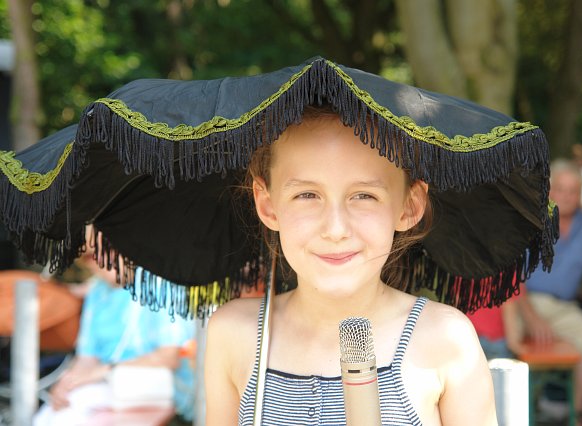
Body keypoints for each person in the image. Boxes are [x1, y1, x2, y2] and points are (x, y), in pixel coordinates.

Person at [205, 107, 498, 425]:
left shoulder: (444, 339)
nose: (335, 229)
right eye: (307, 195)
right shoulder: (235, 334)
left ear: (409, 206)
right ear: (267, 205)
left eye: (364, 196)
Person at [33, 257, 195, 426]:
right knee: (49, 416)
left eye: (111, 249)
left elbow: (169, 357)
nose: (102, 259)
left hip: (164, 394)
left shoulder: (160, 283)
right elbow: (86, 358)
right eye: (91, 256)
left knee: (70, 416)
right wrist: (69, 382)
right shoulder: (97, 292)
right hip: (109, 390)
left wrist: (105, 370)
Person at [523, 158, 582, 424]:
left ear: (580, 194)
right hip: (526, 303)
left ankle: (575, 412)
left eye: (573, 190)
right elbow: (510, 279)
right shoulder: (531, 219)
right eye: (560, 189)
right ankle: (535, 406)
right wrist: (532, 317)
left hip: (563, 307)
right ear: (548, 190)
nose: (566, 196)